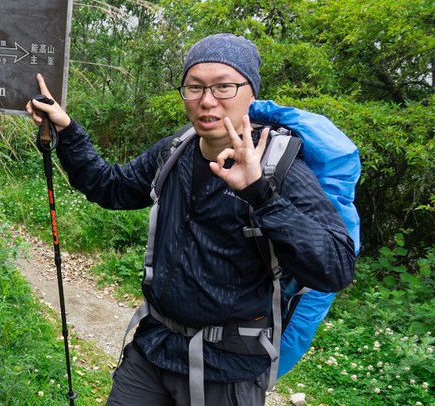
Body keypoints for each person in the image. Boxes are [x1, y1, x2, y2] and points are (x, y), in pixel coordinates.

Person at [26, 33, 356, 406]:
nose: (207, 100)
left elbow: (336, 268)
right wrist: (67, 129)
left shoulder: (281, 168)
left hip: (227, 370)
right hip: (155, 349)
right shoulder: (175, 150)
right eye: (194, 87)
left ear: (251, 93)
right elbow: (111, 187)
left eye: (224, 87)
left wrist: (260, 194)